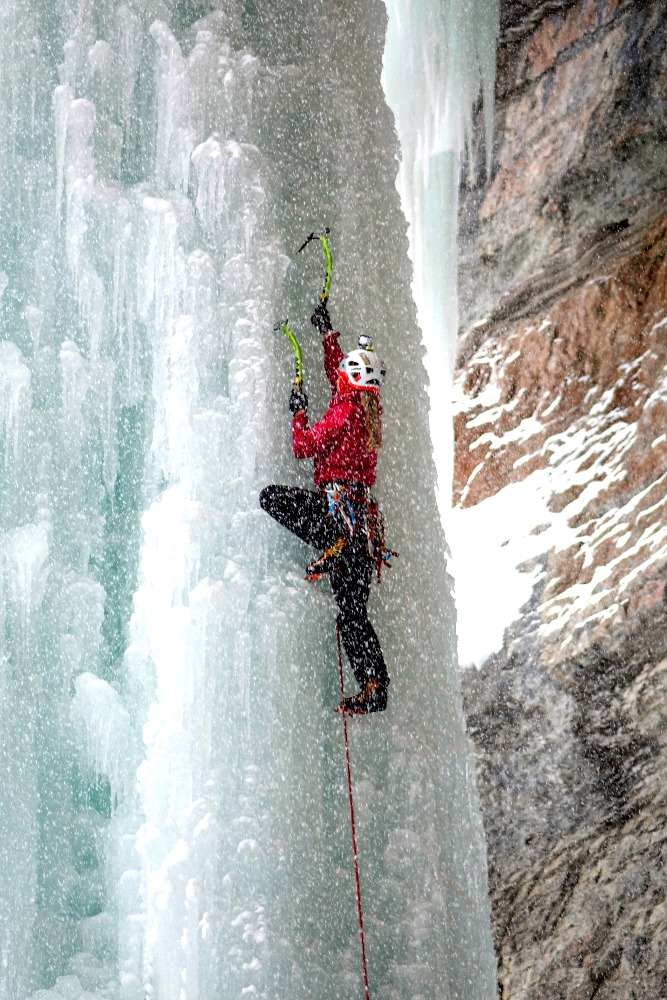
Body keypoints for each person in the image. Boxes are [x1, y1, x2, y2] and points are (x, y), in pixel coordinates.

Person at [259, 301, 390, 714]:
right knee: (352, 614)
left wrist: (298, 412)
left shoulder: (345, 412)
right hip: (363, 532)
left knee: (272, 498)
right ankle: (374, 686)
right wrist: (327, 334)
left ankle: (330, 541)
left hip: (340, 520)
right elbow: (341, 377)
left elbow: (303, 447)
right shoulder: (370, 412)